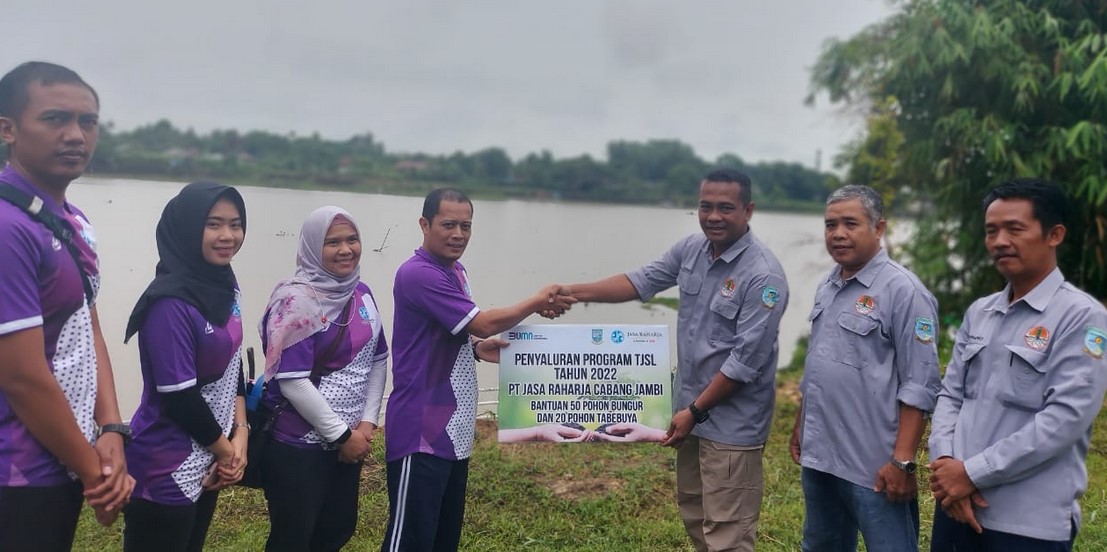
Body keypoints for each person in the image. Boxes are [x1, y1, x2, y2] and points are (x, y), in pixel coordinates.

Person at [556, 168, 788, 552]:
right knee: (696, 514)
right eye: (705, 206)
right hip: (690, 415)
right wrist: (570, 292)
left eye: (725, 208)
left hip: (730, 425)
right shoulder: (691, 250)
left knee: (727, 532)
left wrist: (695, 411)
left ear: (748, 210)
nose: (713, 216)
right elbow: (639, 280)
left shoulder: (763, 276)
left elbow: (744, 363)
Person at [381, 188, 575, 552]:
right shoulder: (418, 274)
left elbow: (453, 329)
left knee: (442, 538)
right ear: (424, 224)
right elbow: (482, 322)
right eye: (448, 225)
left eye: (466, 226)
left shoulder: (456, 271)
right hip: (421, 431)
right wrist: (535, 301)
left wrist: (474, 348)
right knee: (410, 541)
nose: (458, 235)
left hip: (452, 431)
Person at [928, 178, 1107, 551]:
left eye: (1015, 229)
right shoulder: (981, 312)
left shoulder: (1082, 317)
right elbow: (951, 394)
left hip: (1027, 523)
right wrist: (946, 465)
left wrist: (972, 474)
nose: (999, 241)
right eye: (991, 231)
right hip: (954, 507)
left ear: (1054, 234)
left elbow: (1064, 419)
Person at [0, 61, 132, 549]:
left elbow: (87, 320)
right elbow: (21, 376)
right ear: (8, 129)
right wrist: (96, 473)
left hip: (64, 456)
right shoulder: (8, 229)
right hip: (17, 472)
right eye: (55, 119)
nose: (75, 135)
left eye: (88, 122)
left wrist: (112, 426)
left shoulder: (73, 220)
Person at [790, 184, 941, 552]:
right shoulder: (829, 284)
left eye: (850, 223)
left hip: (874, 466)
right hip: (823, 454)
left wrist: (903, 462)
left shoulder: (904, 292)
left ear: (879, 228)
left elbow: (920, 385)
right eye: (830, 225)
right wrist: (801, 422)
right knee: (822, 545)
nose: (838, 234)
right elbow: (820, 364)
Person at [122, 181, 249, 551]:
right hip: (167, 464)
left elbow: (232, 360)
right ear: (188, 227)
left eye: (235, 223)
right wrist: (228, 453)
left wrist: (240, 432)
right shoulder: (169, 302)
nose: (227, 236)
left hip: (212, 452)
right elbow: (179, 395)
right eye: (213, 224)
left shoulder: (224, 283)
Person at [259, 206, 389, 551]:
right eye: (333, 242)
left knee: (337, 529)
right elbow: (293, 381)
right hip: (299, 446)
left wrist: (367, 423)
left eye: (352, 239)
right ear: (314, 247)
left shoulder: (362, 294)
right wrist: (342, 435)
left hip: (350, 443)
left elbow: (378, 358)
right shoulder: (296, 302)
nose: (346, 250)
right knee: (293, 538)